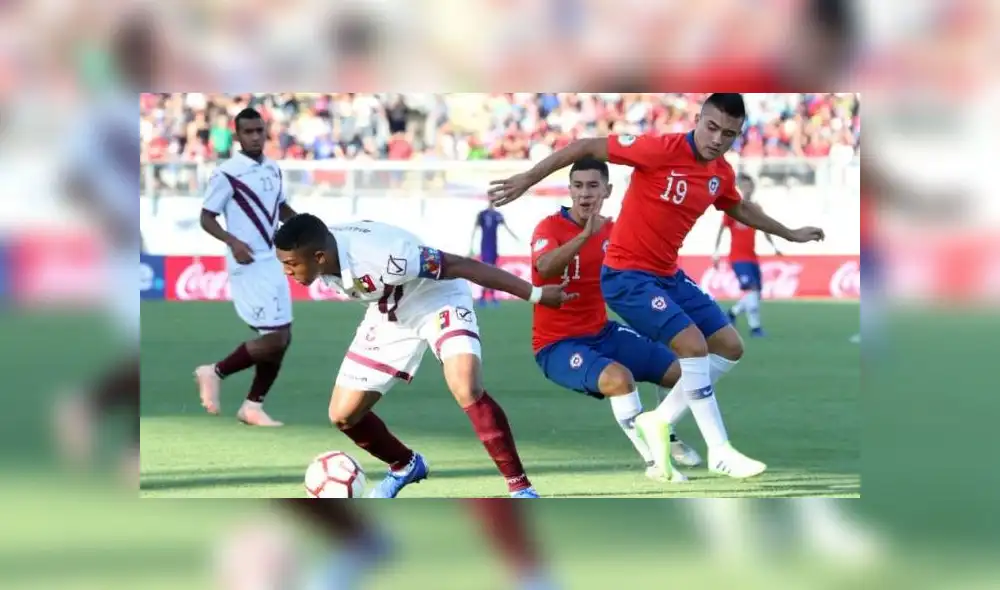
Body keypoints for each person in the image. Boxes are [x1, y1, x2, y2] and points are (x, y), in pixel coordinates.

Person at [489, 93, 825, 478]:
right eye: (712, 127)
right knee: (693, 346)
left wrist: (790, 233)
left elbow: (737, 206)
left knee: (731, 347)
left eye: (728, 134)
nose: (716, 139)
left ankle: (659, 420)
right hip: (626, 275)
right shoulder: (658, 149)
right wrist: (527, 179)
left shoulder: (721, 173)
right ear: (698, 119)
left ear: (737, 136)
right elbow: (584, 146)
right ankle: (719, 449)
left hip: (667, 274)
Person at [273, 213, 575, 498]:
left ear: (319, 257)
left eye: (290, 264)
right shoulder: (321, 249)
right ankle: (406, 465)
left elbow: (460, 265)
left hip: (437, 298)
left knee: (465, 386)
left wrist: (534, 294)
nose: (287, 271)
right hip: (388, 311)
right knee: (343, 414)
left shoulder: (386, 256)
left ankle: (520, 487)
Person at [531, 158, 705, 481]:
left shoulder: (617, 232)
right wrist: (584, 236)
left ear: (607, 191)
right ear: (569, 190)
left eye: (593, 186)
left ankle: (662, 429)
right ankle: (655, 462)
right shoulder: (549, 228)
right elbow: (544, 268)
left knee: (687, 371)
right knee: (619, 379)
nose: (585, 194)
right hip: (557, 345)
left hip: (603, 332)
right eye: (578, 186)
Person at [194, 107, 298, 427]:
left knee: (283, 336)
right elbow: (206, 217)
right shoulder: (227, 173)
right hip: (247, 263)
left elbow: (280, 208)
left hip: (273, 261)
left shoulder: (273, 168)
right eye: (248, 132)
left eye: (259, 131)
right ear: (237, 136)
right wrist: (232, 241)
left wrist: (307, 229)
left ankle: (253, 406)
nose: (255, 137)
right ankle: (214, 372)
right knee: (275, 339)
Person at [712, 174, 783, 337]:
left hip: (752, 257)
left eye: (749, 186)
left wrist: (774, 247)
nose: (747, 189)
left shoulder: (756, 209)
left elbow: (766, 228)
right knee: (751, 290)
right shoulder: (733, 207)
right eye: (744, 186)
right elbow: (721, 230)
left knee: (756, 293)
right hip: (738, 258)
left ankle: (732, 313)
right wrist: (716, 252)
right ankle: (755, 328)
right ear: (740, 188)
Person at [470, 201, 520, 307]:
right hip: (485, 246)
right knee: (486, 271)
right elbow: (475, 228)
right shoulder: (482, 214)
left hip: (493, 247)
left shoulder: (497, 215)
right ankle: (484, 296)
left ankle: (491, 296)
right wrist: (471, 245)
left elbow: (506, 227)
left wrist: (515, 237)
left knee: (493, 271)